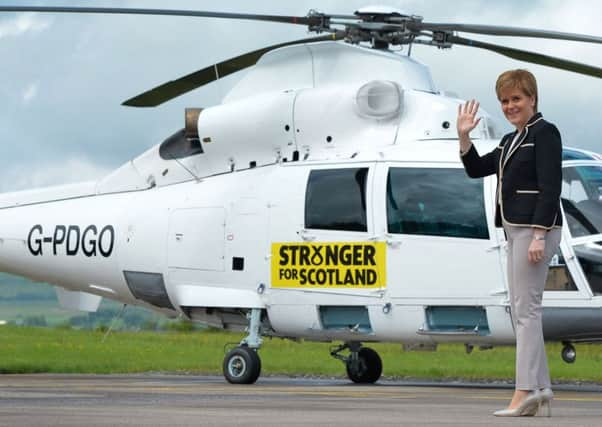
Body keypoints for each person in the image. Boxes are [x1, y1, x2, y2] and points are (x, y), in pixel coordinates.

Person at [456, 69, 562, 417]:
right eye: (504, 100)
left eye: (516, 98)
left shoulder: (545, 134)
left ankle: (524, 391)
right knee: (522, 311)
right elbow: (477, 169)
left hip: (534, 230)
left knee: (526, 312)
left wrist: (539, 234)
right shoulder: (510, 140)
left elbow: (550, 187)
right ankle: (541, 389)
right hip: (514, 229)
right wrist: (464, 138)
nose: (510, 106)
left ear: (532, 98)